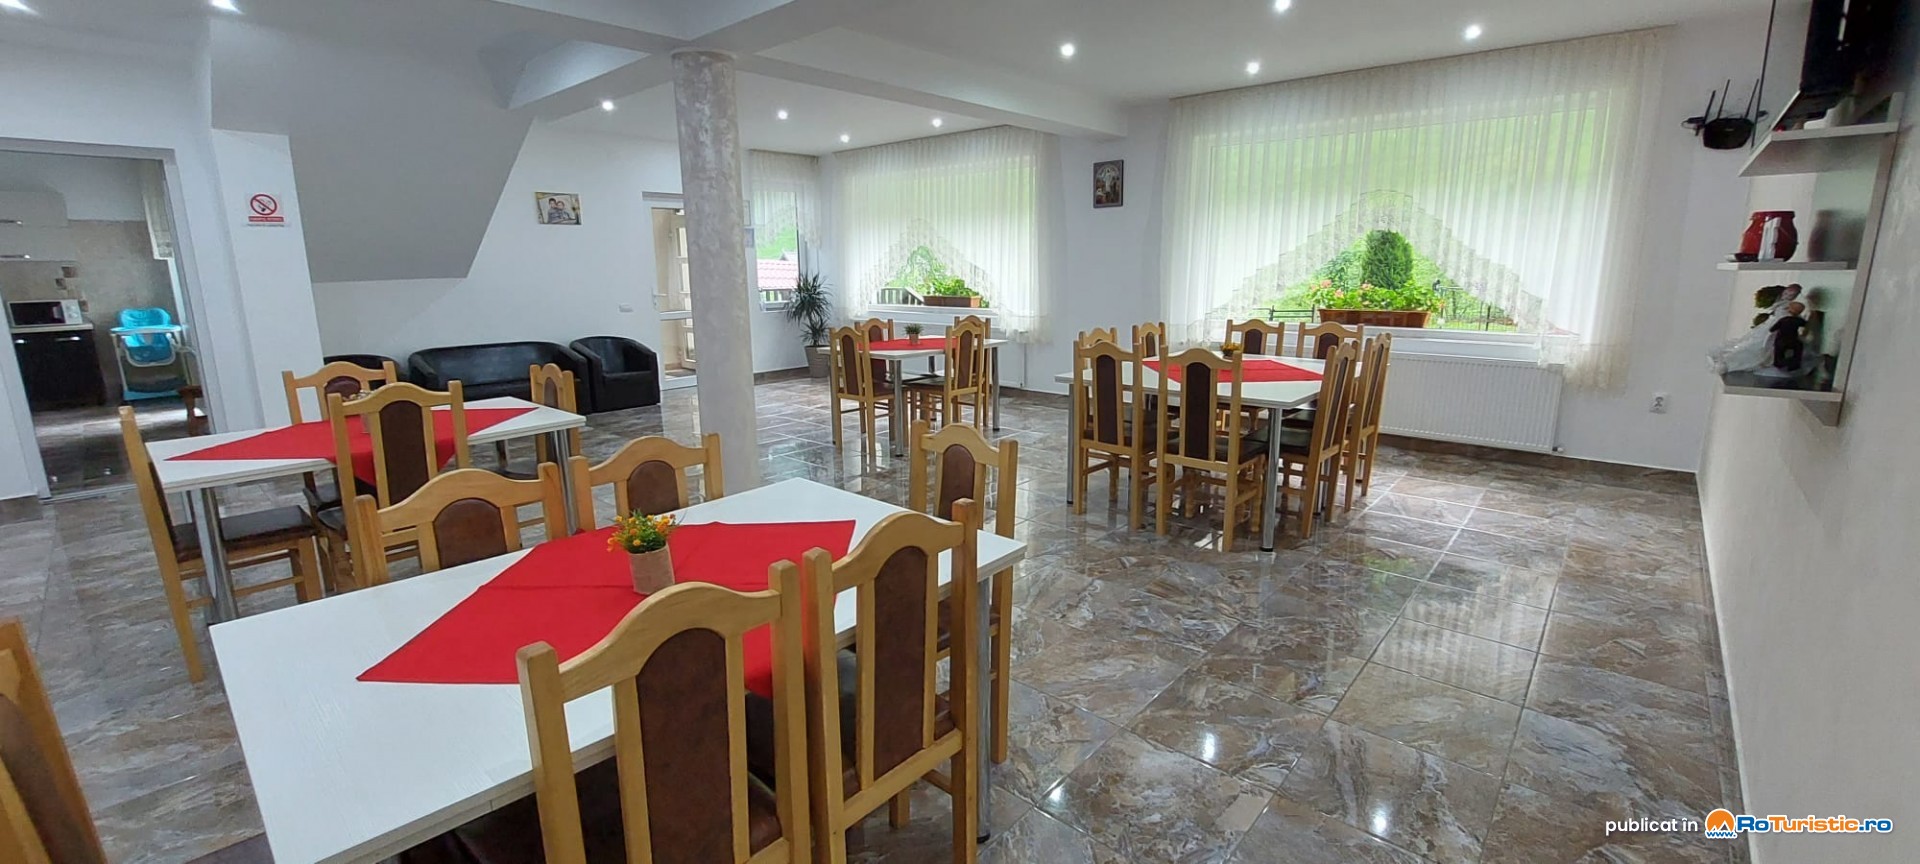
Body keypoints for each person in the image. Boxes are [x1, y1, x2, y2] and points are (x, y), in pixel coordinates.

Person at [1708, 284, 1803, 375]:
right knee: (1751, 343)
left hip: (1774, 330)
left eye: (1791, 295)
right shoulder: (1781, 305)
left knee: (1760, 347)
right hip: (1769, 328)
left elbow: (1778, 322)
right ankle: (1727, 359)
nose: (1787, 296)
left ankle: (1729, 361)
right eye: (1787, 293)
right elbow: (1775, 322)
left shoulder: (1786, 308)